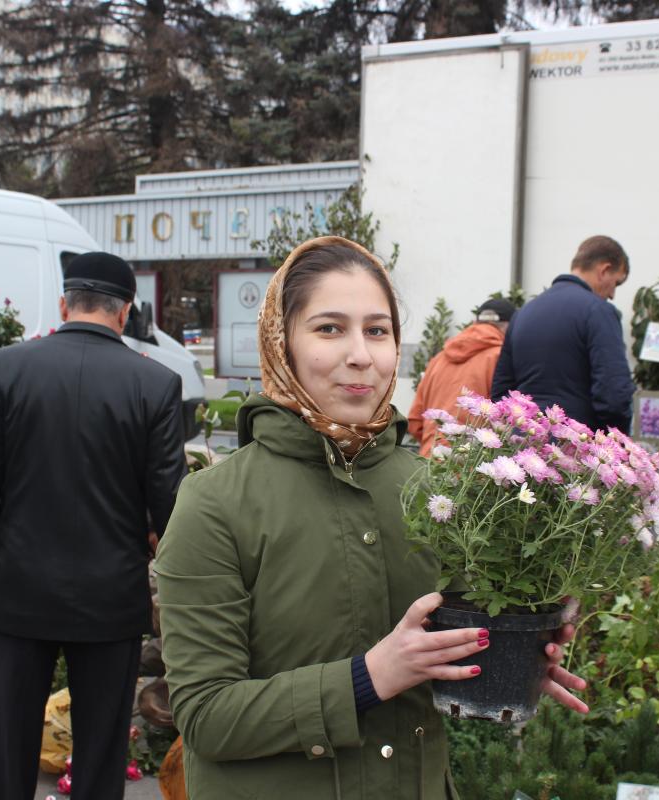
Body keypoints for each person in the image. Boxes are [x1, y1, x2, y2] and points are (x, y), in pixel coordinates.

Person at [153, 236, 587, 799]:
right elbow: (206, 715)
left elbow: (447, 635)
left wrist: (512, 650)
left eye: (377, 331)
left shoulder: (435, 492)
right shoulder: (216, 503)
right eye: (329, 328)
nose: (360, 354)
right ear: (280, 341)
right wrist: (369, 676)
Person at [0, 252, 186, 800]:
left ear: (64, 303)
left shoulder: (6, 368)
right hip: (110, 596)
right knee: (102, 747)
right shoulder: (154, 383)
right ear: (124, 312)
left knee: (8, 744)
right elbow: (169, 502)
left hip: (19, 590)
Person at [490, 235, 635, 433]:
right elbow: (613, 395)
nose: (612, 294)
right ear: (604, 270)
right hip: (576, 449)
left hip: (523, 447)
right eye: (616, 283)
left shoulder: (523, 313)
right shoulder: (598, 311)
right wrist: (617, 443)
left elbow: (501, 391)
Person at [408, 297, 516, 455]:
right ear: (510, 326)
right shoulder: (502, 358)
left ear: (475, 322)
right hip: (473, 472)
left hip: (431, 462)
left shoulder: (439, 358)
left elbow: (415, 423)